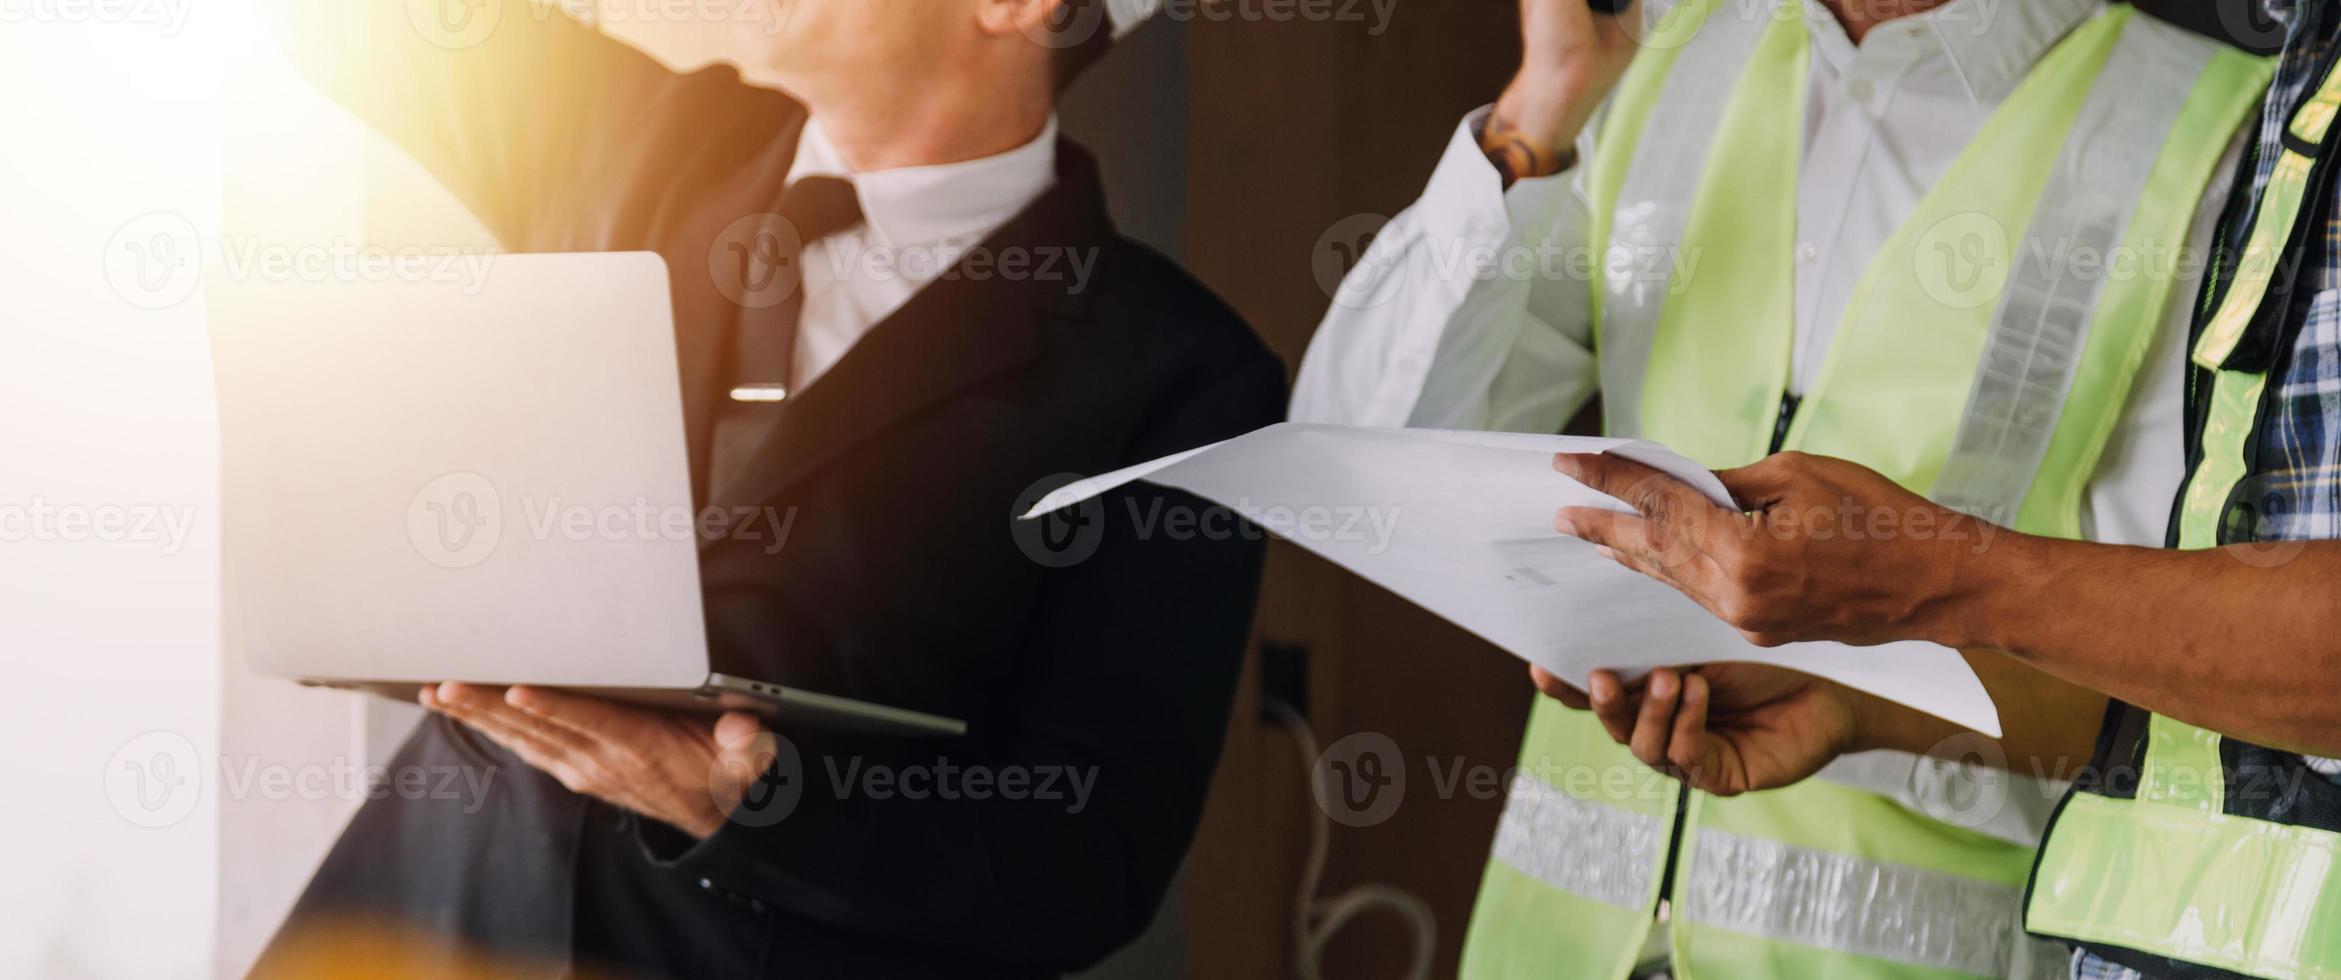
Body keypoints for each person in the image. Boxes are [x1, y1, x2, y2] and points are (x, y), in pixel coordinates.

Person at [255, 1, 1286, 977]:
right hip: (421, 922)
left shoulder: (1176, 372)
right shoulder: (628, 130)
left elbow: (1091, 860)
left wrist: (750, 806)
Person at [1291, 0, 2269, 976]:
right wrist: (1535, 113)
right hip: (1543, 943)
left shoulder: (2218, 138)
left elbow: (2185, 698)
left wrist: (1861, 692)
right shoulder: (1656, 48)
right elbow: (1355, 467)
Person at [1539, 2, 2341, 977]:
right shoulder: (2313, 72)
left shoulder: (2210, 124)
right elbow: (2189, 685)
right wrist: (1855, 694)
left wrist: (1940, 581)